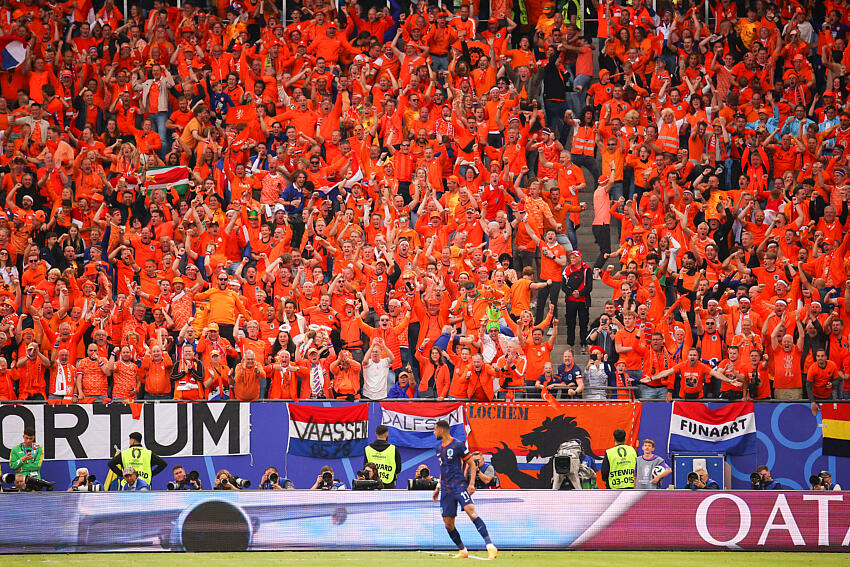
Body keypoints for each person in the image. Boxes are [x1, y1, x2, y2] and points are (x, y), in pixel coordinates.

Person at [432, 419, 498, 560]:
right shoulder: (438, 448)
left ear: (441, 430)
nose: (434, 432)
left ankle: (490, 546)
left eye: (435, 429)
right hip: (445, 489)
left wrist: (471, 484)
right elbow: (443, 469)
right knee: (448, 524)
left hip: (459, 485)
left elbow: (472, 464)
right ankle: (462, 550)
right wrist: (438, 487)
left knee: (470, 511)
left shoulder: (457, 445)